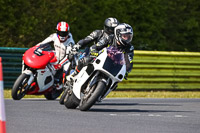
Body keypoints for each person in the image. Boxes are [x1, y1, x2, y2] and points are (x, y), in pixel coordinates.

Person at [67, 23, 134, 81]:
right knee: (85, 60)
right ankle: (74, 74)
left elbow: (129, 62)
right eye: (124, 36)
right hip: (100, 58)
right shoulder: (110, 38)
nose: (127, 39)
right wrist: (94, 52)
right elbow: (96, 46)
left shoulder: (129, 48)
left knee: (117, 81)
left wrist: (126, 70)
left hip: (113, 66)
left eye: (129, 37)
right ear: (118, 34)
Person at [36, 21, 75, 90]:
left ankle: (63, 84)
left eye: (64, 33)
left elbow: (68, 57)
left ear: (68, 33)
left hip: (66, 60)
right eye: (60, 33)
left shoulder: (70, 43)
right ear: (57, 31)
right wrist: (35, 48)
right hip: (56, 56)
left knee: (66, 69)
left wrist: (60, 65)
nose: (62, 35)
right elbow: (43, 43)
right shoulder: (54, 36)